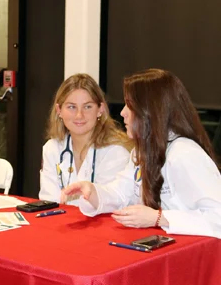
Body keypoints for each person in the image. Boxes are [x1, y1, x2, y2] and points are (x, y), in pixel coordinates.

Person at [61, 69, 221, 238]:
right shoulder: (141, 152)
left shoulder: (184, 154)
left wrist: (159, 218)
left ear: (151, 110)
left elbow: (217, 217)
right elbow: (120, 193)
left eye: (130, 106)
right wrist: (92, 192)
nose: (122, 112)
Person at [39, 74, 131, 204]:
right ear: (59, 110)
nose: (79, 115)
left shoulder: (115, 152)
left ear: (100, 109)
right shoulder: (52, 148)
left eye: (87, 107)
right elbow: (48, 201)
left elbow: (110, 204)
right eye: (71, 107)